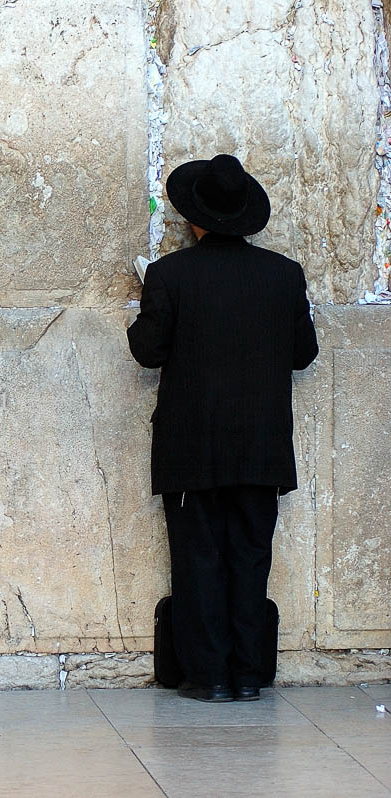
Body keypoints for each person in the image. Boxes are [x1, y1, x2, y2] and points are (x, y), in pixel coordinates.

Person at [127, 154, 318, 703]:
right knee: (251, 557)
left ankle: (208, 675)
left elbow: (147, 350)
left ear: (195, 218)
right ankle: (248, 674)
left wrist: (147, 302)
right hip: (261, 447)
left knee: (198, 557)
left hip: (191, 449)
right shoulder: (283, 275)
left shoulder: (170, 275)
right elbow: (303, 353)